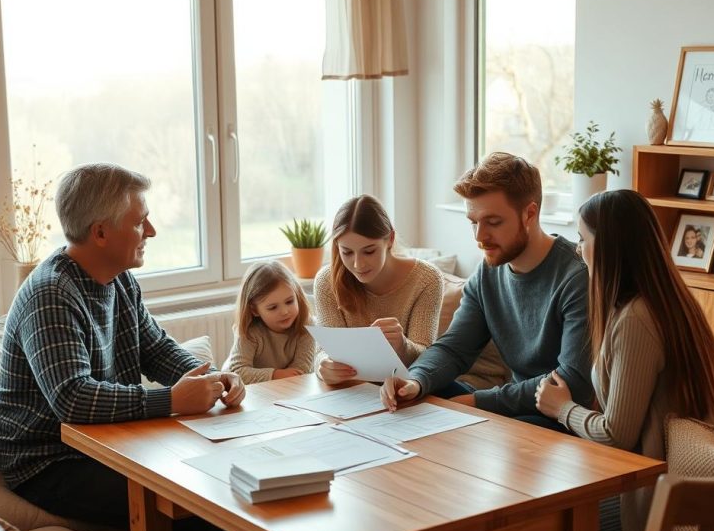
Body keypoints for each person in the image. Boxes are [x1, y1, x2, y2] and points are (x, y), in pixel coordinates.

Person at [0, 163, 244, 531]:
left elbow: (155, 348)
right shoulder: (52, 294)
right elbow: (73, 399)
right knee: (196, 494)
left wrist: (210, 377)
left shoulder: (119, 278)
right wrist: (172, 400)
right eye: (141, 221)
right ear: (101, 233)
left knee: (228, 473)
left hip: (109, 441)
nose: (152, 231)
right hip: (50, 460)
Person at [534, 189, 714, 531]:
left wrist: (562, 408)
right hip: (684, 481)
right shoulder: (672, 300)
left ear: (611, 246)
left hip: (665, 496)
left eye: (583, 239)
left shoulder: (637, 320)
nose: (577, 249)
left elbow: (617, 435)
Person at [380, 153, 592, 430]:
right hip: (516, 407)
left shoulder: (576, 277)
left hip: (561, 417)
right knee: (421, 395)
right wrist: (415, 380)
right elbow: (455, 348)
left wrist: (476, 402)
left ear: (530, 213)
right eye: (473, 221)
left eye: (493, 222)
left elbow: (570, 380)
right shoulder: (488, 273)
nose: (479, 236)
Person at [314, 195, 444, 384]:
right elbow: (323, 352)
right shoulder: (327, 282)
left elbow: (427, 362)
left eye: (369, 251)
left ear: (390, 239)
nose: (358, 264)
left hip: (407, 392)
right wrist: (323, 366)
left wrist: (402, 346)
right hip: (351, 393)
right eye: (347, 252)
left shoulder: (427, 279)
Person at [223, 260, 318, 383]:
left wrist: (284, 376)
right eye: (273, 307)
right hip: (247, 390)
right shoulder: (249, 330)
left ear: (297, 295)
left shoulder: (307, 325)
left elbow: (301, 371)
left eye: (289, 301)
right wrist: (276, 374)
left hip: (281, 389)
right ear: (254, 310)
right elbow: (237, 371)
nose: (284, 312)